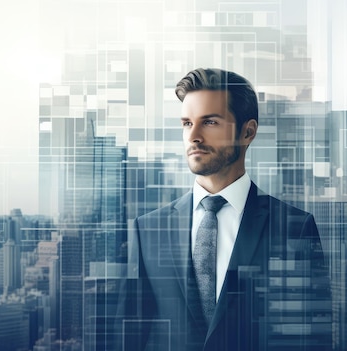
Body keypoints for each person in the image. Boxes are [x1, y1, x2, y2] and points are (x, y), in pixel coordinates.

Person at [116, 68, 331, 350]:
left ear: (247, 131)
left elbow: (311, 339)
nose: (193, 136)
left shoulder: (294, 227)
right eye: (186, 123)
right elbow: (129, 336)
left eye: (210, 122)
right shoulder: (148, 230)